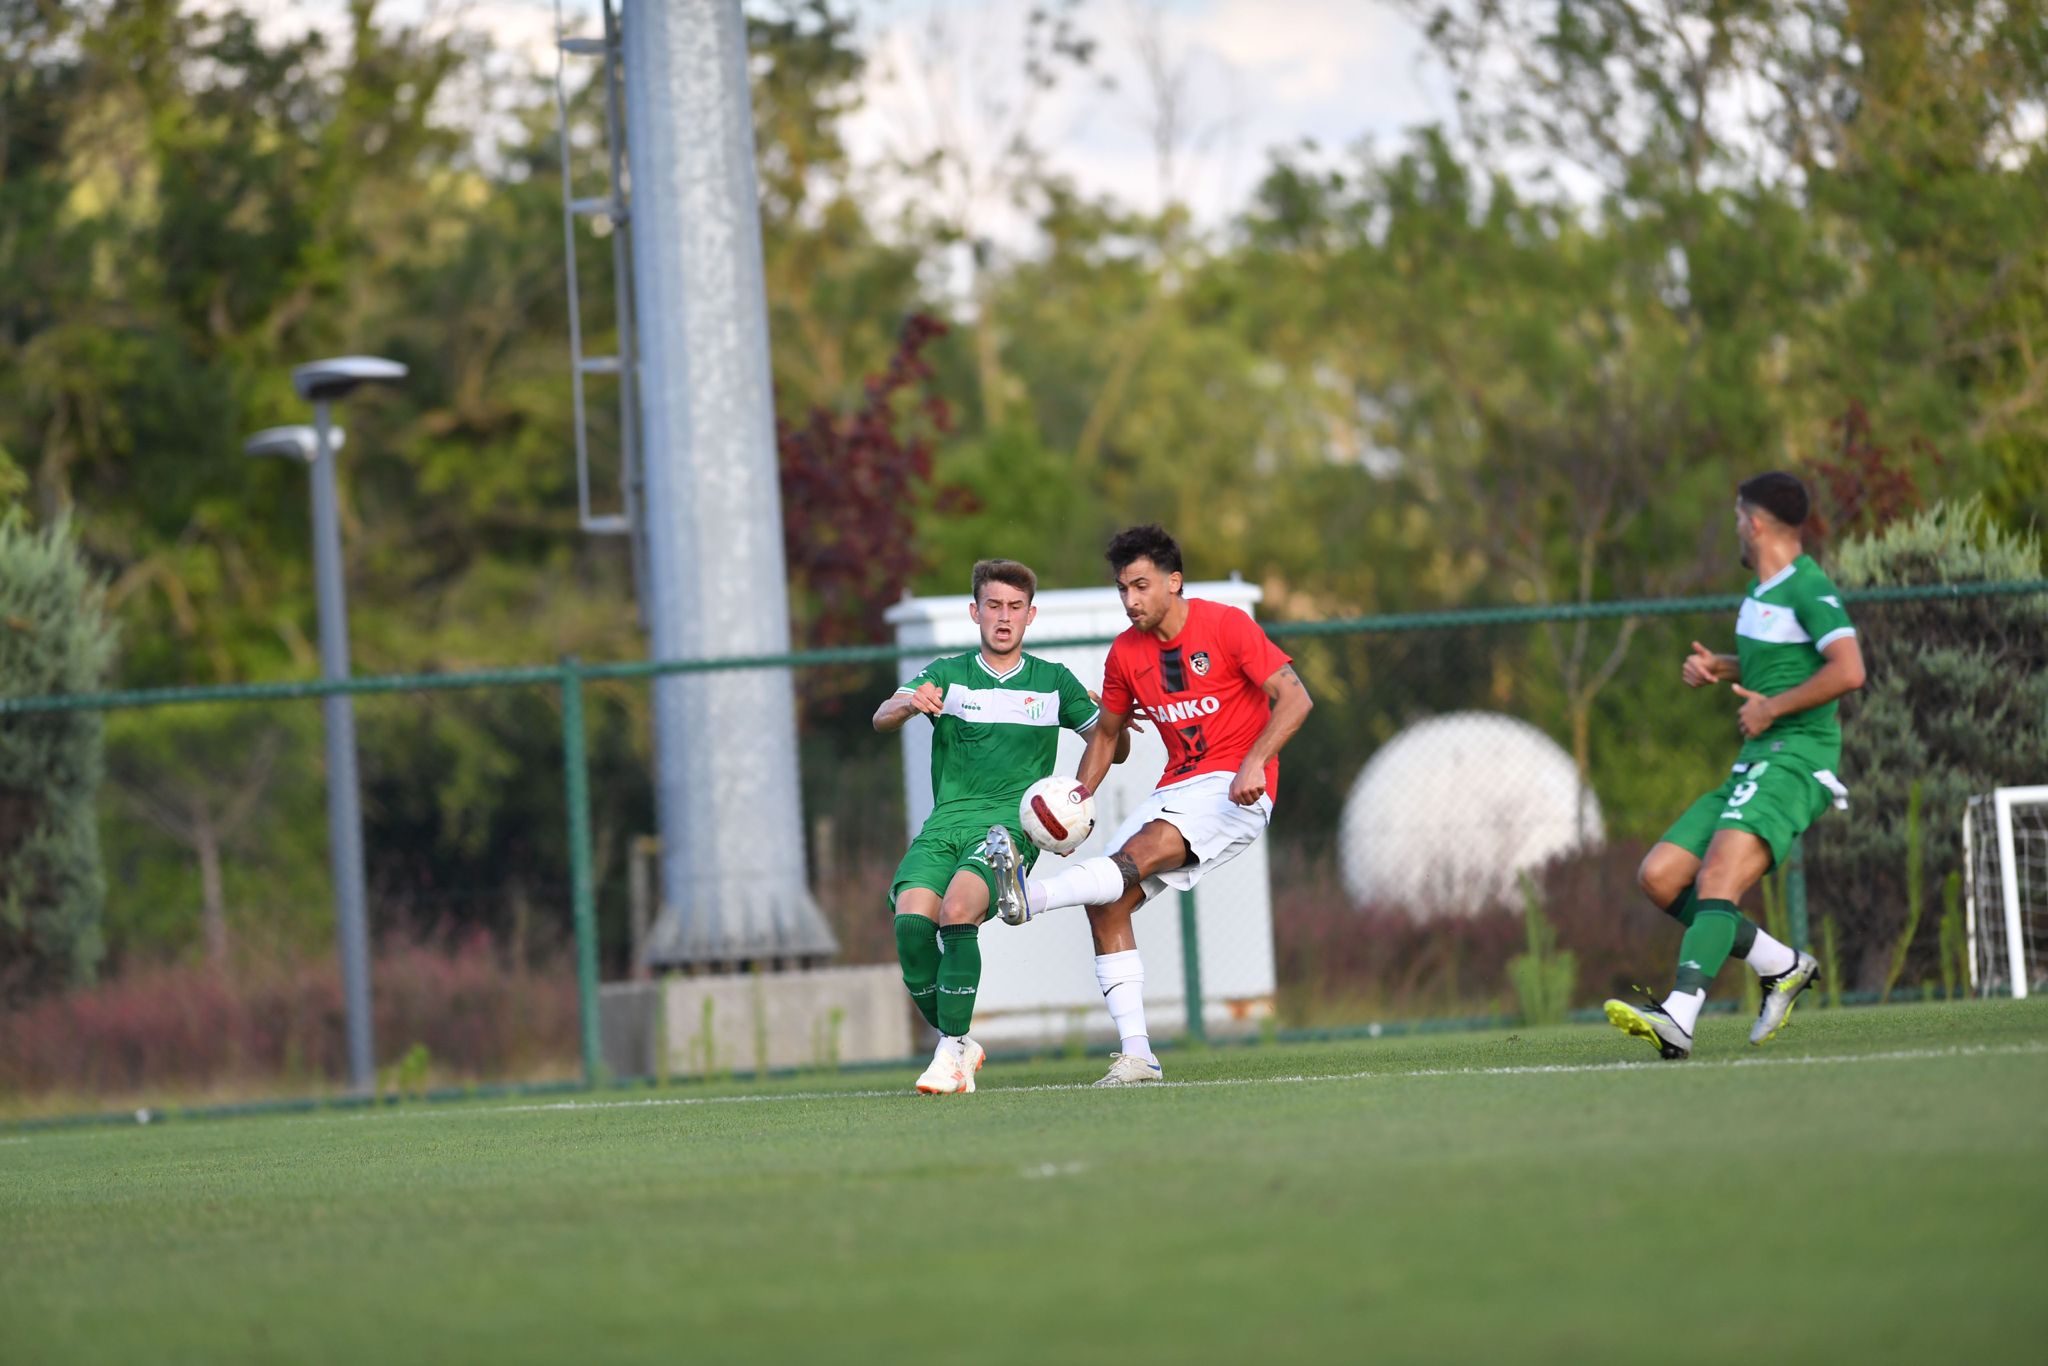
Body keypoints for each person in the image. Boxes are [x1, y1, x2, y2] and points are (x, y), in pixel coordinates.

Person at [987, 525, 1313, 1085]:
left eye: (1141, 586)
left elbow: (1296, 698)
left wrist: (1256, 761)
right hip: (1177, 787)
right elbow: (1107, 736)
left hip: (1235, 790)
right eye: (1122, 589)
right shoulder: (1124, 653)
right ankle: (1138, 1055)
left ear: (1174, 581)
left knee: (1138, 853)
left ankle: (1028, 899)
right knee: (1107, 904)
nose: (1131, 600)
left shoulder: (1227, 625)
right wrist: (1078, 798)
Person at [1606, 472, 1866, 1058]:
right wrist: (1721, 668)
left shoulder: (1807, 587)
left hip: (1798, 760)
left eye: (1735, 518)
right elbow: (1783, 666)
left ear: (1753, 522)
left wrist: (1772, 708)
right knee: (1661, 875)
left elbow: (1849, 670)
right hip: (1755, 761)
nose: (1735, 530)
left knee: (1717, 877)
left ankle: (1680, 1014)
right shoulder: (1758, 593)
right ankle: (1781, 966)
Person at [873, 558, 1128, 1094]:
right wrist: (908, 703)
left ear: (1031, 616)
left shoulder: (1054, 682)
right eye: (993, 606)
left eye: (1015, 607)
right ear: (975, 612)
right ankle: (959, 1042)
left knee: (957, 911)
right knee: (911, 928)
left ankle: (947, 1055)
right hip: (945, 824)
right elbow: (883, 715)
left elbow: (1113, 747)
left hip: (1006, 832)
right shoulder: (947, 673)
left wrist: (1114, 719)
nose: (1004, 617)